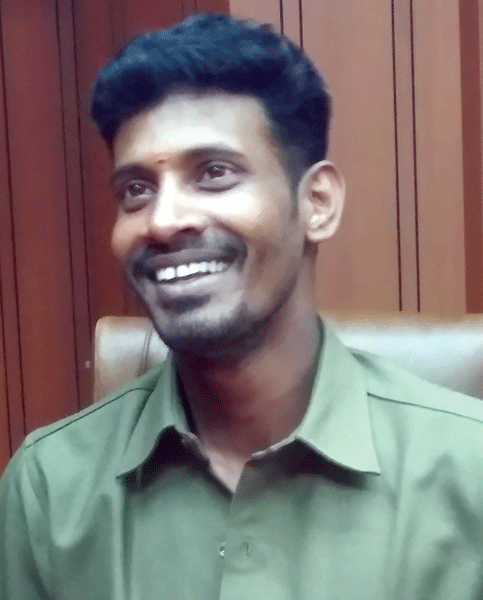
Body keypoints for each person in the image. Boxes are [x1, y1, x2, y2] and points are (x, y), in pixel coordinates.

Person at [1, 12, 483, 600]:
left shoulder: (470, 474)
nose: (163, 220)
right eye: (136, 190)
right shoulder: (50, 490)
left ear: (318, 203)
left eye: (214, 173)